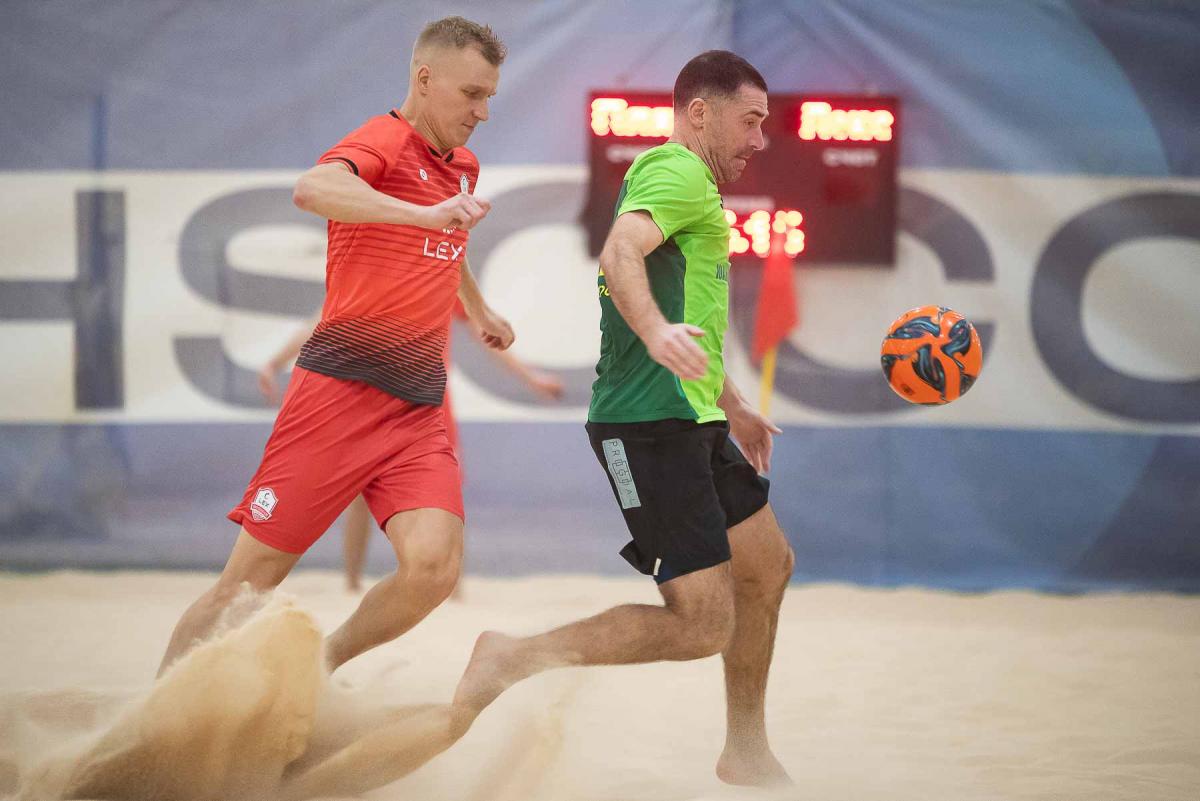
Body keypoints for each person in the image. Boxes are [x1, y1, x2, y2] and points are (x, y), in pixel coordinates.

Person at [453, 50, 796, 787]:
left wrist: (733, 403)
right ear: (699, 112)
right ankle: (511, 656)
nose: (759, 139)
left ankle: (745, 748)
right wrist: (653, 332)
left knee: (767, 565)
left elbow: (691, 313)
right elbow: (618, 253)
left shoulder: (690, 183)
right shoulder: (678, 170)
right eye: (750, 121)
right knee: (701, 623)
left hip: (691, 414)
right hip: (646, 425)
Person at [158, 15, 513, 677]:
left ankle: (316, 669)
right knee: (246, 583)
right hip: (336, 399)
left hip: (416, 411)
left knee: (434, 568)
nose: (483, 111)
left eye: (489, 95)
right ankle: (150, 722)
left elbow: (449, 235)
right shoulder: (382, 139)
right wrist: (420, 215)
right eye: (472, 94)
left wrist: (478, 305)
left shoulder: (462, 165)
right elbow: (312, 188)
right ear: (425, 79)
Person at [257, 310, 565, 592]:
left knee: (445, 493)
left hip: (427, 402)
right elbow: (322, 320)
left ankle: (451, 590)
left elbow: (485, 331)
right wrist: (275, 362)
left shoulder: (445, 274)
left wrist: (531, 378)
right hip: (374, 400)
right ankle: (352, 584)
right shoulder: (370, 276)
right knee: (361, 494)